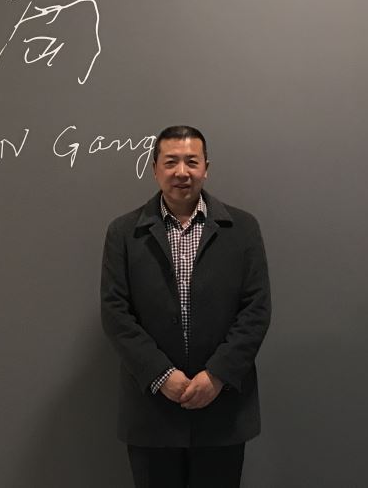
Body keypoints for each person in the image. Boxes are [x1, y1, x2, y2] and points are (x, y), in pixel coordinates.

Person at [100, 125, 271, 488]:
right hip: (151, 412)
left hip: (222, 409)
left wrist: (217, 375)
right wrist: (162, 375)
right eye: (171, 162)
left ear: (206, 168)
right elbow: (115, 313)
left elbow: (255, 310)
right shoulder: (124, 233)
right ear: (154, 169)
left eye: (192, 162)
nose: (182, 171)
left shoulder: (242, 229)